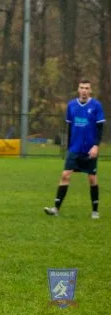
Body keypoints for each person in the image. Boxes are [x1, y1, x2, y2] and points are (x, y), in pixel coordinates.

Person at [44, 79, 105, 219]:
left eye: (87, 88)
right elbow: (70, 127)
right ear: (78, 89)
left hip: (90, 149)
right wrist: (69, 146)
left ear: (90, 90)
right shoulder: (71, 106)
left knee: (92, 179)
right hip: (74, 149)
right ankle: (56, 209)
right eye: (82, 87)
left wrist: (96, 145)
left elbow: (100, 128)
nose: (84, 90)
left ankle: (95, 211)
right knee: (65, 175)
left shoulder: (96, 106)